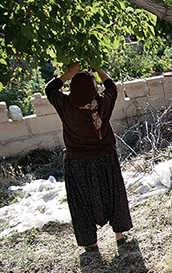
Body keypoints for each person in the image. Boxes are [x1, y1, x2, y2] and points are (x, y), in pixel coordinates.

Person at [45, 62, 133, 252]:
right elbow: (111, 87)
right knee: (114, 195)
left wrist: (70, 73)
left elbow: (50, 88)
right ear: (93, 88)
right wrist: (98, 69)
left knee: (81, 203)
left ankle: (90, 242)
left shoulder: (65, 105)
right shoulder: (102, 103)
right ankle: (120, 234)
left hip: (77, 164)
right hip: (105, 159)